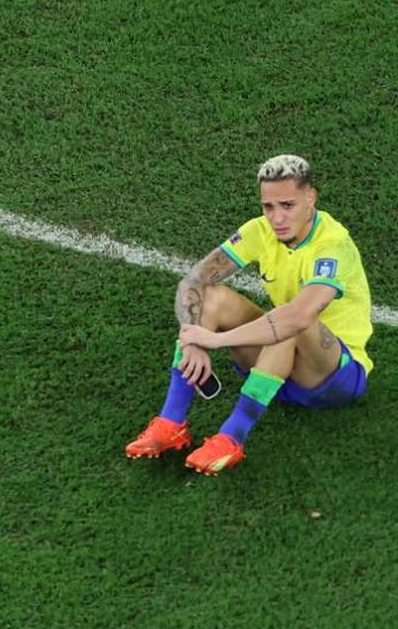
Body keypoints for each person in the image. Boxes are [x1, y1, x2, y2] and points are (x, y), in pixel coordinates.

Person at [126, 154, 373, 475]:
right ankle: (171, 422)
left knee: (291, 317)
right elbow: (193, 280)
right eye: (268, 207)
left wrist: (216, 340)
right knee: (209, 297)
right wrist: (192, 341)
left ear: (310, 197)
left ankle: (232, 436)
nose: (277, 218)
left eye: (288, 205)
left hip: (334, 377)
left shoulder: (332, 244)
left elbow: (298, 318)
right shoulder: (260, 230)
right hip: (276, 366)